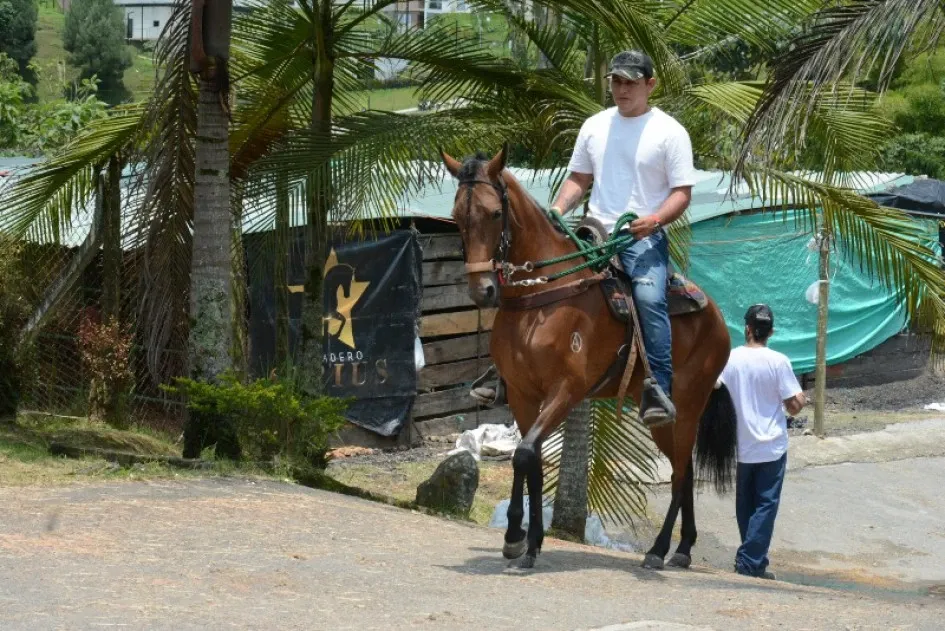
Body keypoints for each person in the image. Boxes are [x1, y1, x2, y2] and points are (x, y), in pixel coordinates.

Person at [471, 49, 696, 427]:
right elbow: (579, 179)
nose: (621, 90)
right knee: (527, 280)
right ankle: (504, 373)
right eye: (616, 81)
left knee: (648, 296)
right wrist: (557, 210)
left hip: (641, 237)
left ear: (650, 84)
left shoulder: (670, 132)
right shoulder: (595, 126)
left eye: (630, 82)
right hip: (593, 231)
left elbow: (682, 193)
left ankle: (657, 386)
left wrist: (654, 220)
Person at [719, 304, 807, 580]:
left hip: (741, 446)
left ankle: (756, 562)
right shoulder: (778, 361)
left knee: (746, 507)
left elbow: (715, 390)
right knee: (765, 507)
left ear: (746, 329)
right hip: (771, 447)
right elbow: (794, 406)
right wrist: (800, 398)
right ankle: (748, 564)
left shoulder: (730, 359)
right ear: (771, 332)